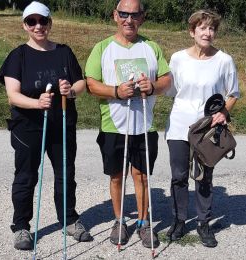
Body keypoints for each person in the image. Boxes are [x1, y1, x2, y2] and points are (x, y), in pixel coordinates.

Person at [0, 1, 92, 251]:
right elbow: (12, 95)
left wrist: (69, 91)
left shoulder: (64, 52)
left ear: (50, 23)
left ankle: (69, 220)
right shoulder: (18, 56)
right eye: (32, 21)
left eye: (43, 21)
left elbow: (81, 84)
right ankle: (21, 227)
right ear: (25, 25)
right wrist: (37, 103)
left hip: (61, 124)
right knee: (26, 176)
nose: (38, 26)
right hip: (28, 127)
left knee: (65, 174)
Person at [85, 0, 171, 249]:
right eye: (124, 14)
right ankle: (120, 220)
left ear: (142, 18)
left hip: (144, 125)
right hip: (114, 125)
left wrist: (153, 86)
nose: (129, 20)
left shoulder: (151, 47)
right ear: (115, 15)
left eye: (135, 15)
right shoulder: (102, 48)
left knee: (142, 176)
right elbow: (91, 84)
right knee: (116, 176)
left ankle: (144, 223)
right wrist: (116, 91)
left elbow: (166, 79)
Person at [165, 10, 240, 247]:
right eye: (203, 28)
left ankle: (204, 223)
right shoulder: (177, 58)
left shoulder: (224, 60)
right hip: (179, 125)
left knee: (204, 176)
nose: (208, 33)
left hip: (208, 129)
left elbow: (233, 93)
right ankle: (178, 220)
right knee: (179, 176)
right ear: (192, 31)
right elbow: (170, 90)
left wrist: (223, 112)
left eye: (212, 28)